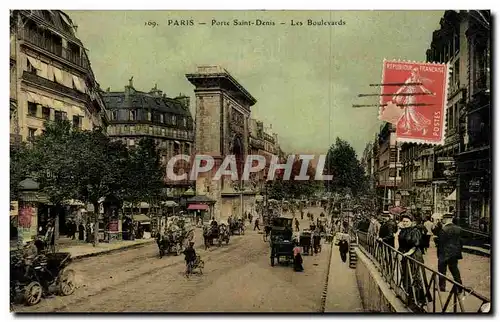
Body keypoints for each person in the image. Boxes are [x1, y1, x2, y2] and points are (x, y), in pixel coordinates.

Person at [398, 213, 428, 305]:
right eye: (403, 221)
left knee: (416, 276)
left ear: (411, 222)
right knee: (406, 274)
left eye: (407, 221)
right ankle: (409, 295)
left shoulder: (415, 231)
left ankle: (419, 299)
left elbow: (416, 244)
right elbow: (401, 244)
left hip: (414, 255)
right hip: (405, 255)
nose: (405, 223)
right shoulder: (403, 230)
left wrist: (409, 253)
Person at [434, 213, 463, 292]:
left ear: (446, 219)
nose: (442, 220)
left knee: (442, 270)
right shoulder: (458, 228)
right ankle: (459, 287)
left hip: (444, 254)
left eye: (443, 219)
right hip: (454, 254)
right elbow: (461, 242)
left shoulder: (443, 229)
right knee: (455, 270)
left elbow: (441, 243)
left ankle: (442, 287)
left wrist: (436, 242)